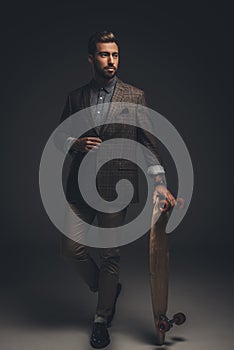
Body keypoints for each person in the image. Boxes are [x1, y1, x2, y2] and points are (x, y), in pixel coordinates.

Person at [57, 30, 176, 349]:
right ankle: (109, 288)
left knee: (110, 254)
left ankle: (101, 319)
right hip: (79, 187)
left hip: (116, 187)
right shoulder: (75, 97)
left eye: (115, 55)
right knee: (72, 251)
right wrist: (75, 143)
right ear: (91, 58)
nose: (111, 60)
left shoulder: (134, 96)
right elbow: (59, 136)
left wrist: (160, 183)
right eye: (104, 54)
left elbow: (147, 142)